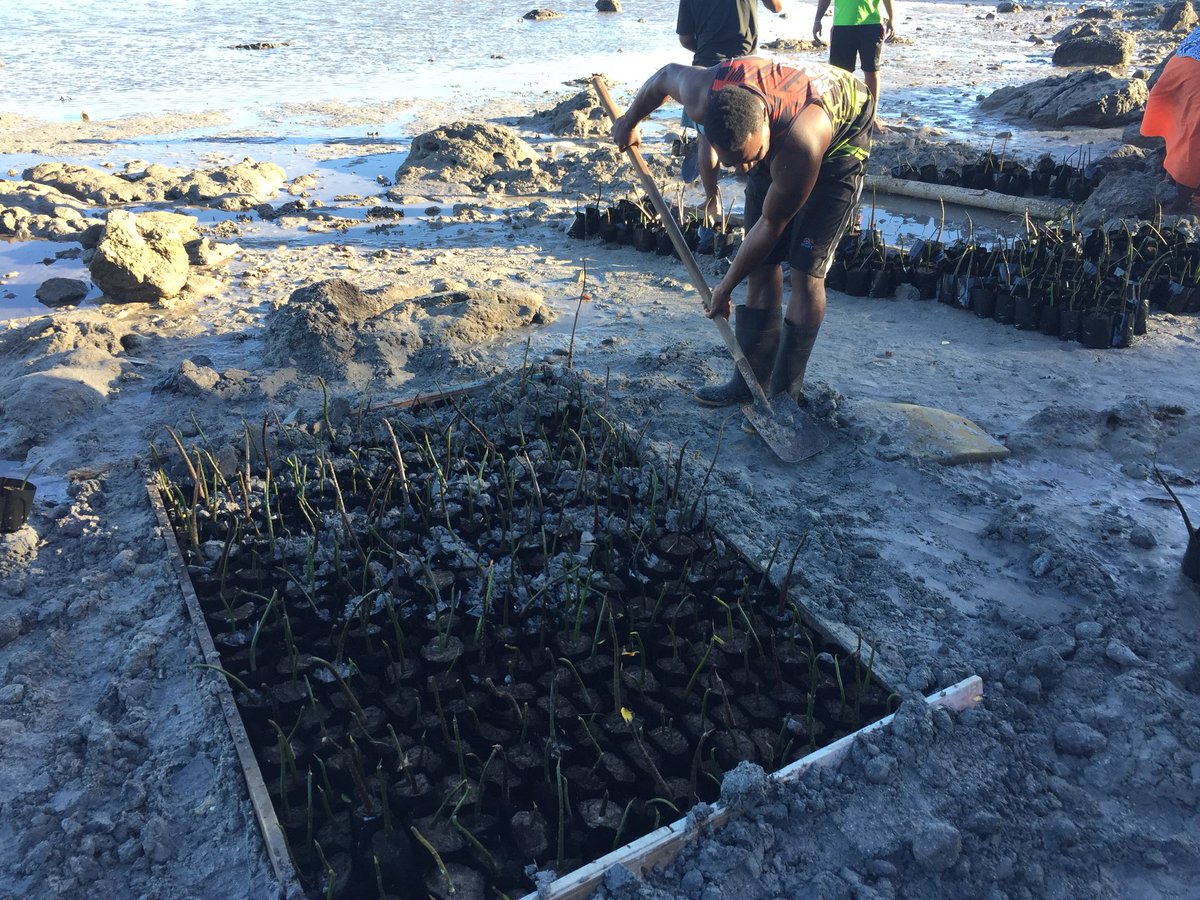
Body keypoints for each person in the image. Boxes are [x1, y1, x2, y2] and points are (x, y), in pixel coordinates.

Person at [612, 58, 874, 407]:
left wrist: (724, 288)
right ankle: (750, 381)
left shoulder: (801, 142)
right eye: (736, 163)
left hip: (841, 135)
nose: (748, 169)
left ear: (764, 126)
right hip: (775, 126)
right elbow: (662, 77)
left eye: (753, 157)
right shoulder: (702, 93)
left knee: (806, 271)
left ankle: (784, 398)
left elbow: (771, 225)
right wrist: (629, 123)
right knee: (763, 266)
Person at [677, 0, 784, 218]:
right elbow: (777, 7)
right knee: (749, 129)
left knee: (706, 139)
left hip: (707, 63)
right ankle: (753, 196)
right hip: (745, 65)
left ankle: (712, 202)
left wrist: (708, 45)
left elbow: (686, 39)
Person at [1141, 25, 1200, 213]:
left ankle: (1174, 174)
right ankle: (1183, 201)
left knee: (1181, 124)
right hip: (1195, 71)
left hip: (1179, 61)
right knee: (1193, 134)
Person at [812, 0, 894, 131]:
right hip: (843, 25)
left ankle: (871, 117)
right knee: (840, 74)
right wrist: (817, 20)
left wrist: (891, 19)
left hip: (871, 24)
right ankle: (842, 116)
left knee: (872, 71)